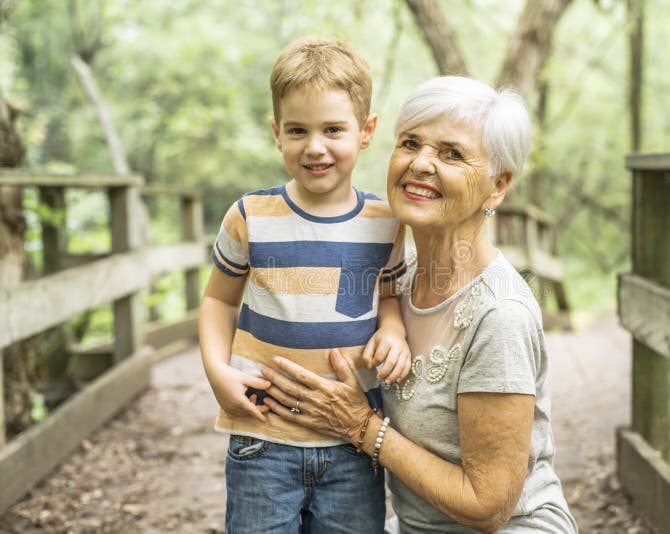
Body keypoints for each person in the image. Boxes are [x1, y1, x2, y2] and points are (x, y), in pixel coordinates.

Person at [259, 76, 579, 533]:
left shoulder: (499, 314)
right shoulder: (392, 279)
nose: (421, 164)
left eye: (451, 154)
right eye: (410, 143)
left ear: (497, 185)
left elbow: (488, 507)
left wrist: (361, 427)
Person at [198, 37, 411, 533]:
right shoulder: (250, 216)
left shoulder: (386, 223)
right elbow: (217, 300)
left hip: (352, 445)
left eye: (333, 129)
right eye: (298, 130)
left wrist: (394, 332)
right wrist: (216, 370)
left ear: (366, 131)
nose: (314, 146)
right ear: (277, 133)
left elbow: (388, 295)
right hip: (262, 438)